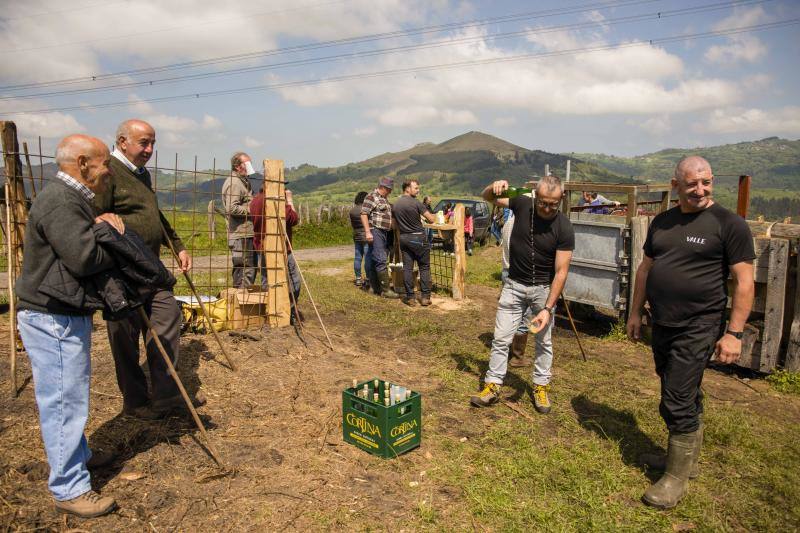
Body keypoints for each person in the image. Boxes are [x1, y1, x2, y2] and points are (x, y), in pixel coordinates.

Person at [627, 156, 754, 510]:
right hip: (663, 321)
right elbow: (645, 269)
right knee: (675, 384)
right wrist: (636, 312)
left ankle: (675, 479)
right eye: (692, 184)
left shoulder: (728, 224)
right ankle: (686, 459)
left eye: (706, 182)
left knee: (676, 397)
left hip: (699, 324)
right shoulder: (663, 222)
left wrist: (734, 334)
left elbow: (744, 282)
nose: (700, 190)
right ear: (675, 186)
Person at [16, 134, 124, 517]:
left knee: (70, 393)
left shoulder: (70, 199)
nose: (109, 170)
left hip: (60, 311)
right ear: (82, 163)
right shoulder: (62, 201)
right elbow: (84, 257)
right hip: (51, 315)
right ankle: (69, 488)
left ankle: (78, 456)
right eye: (104, 163)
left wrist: (96, 222)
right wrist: (109, 230)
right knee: (63, 400)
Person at [95, 119, 194, 420]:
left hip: (150, 267)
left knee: (168, 315)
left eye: (152, 143)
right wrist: (100, 217)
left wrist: (177, 245)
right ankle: (135, 402)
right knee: (124, 337)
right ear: (123, 141)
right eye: (144, 143)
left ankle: (165, 395)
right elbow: (93, 214)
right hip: (120, 272)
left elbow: (154, 214)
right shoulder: (107, 171)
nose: (150, 149)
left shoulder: (141, 174)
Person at [470, 175, 574, 414]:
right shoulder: (522, 203)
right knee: (501, 338)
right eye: (543, 202)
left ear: (561, 199)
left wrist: (548, 309)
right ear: (535, 196)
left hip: (543, 292)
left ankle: (540, 387)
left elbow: (561, 272)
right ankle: (493, 385)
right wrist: (493, 186)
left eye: (553, 204)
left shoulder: (564, 227)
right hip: (513, 287)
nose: (547, 208)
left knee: (543, 342)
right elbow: (487, 197)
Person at [250, 189, 302, 320]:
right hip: (280, 248)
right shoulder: (277, 201)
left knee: (267, 281)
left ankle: (270, 312)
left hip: (261, 247)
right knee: (294, 281)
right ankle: (288, 310)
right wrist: (289, 200)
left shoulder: (255, 201)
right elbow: (294, 219)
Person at [392, 180, 436, 306]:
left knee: (407, 268)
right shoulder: (416, 203)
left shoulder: (395, 205)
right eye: (416, 188)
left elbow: (394, 225)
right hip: (418, 238)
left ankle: (410, 297)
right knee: (424, 267)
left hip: (404, 238)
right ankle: (425, 297)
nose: (418, 190)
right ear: (407, 189)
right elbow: (431, 219)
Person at [499, 208, 533, 368]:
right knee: (522, 317)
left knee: (509, 314)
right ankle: (517, 356)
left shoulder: (508, 223)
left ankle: (505, 350)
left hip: (507, 271)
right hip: (519, 275)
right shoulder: (523, 227)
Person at [222, 152, 257, 288]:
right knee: (244, 270)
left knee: (248, 269)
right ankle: (240, 303)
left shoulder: (243, 181)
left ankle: (242, 302)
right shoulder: (234, 183)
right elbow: (232, 208)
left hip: (246, 233)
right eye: (247, 164)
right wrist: (252, 209)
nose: (250, 166)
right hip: (240, 234)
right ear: (237, 166)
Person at [361, 177, 398, 298]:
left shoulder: (384, 199)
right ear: (382, 187)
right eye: (389, 189)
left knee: (374, 258)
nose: (390, 192)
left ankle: (374, 287)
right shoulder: (372, 197)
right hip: (376, 231)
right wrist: (368, 232)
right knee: (381, 259)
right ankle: (386, 290)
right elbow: (364, 214)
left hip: (383, 232)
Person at [349, 191, 369, 287]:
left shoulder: (352, 211)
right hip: (366, 235)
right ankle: (368, 278)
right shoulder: (366, 209)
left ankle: (358, 278)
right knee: (367, 258)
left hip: (356, 235)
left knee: (358, 258)